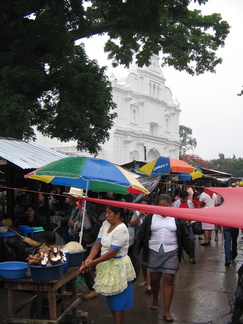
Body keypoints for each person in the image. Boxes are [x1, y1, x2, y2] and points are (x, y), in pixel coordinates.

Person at [134, 194, 193, 323]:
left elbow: (185, 236)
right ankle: (155, 297)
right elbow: (141, 234)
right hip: (154, 252)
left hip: (171, 252)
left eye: (166, 206)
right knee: (154, 280)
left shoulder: (176, 218)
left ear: (170, 205)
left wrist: (191, 253)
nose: (163, 209)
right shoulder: (150, 217)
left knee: (169, 280)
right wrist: (137, 250)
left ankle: (166, 311)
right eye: (161, 206)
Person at [80, 205, 136, 324]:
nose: (106, 216)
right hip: (106, 265)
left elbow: (112, 253)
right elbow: (97, 243)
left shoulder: (122, 229)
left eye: (109, 213)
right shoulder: (105, 224)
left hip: (118, 266)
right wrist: (89, 259)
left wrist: (93, 262)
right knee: (111, 299)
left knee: (119, 301)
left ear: (118, 214)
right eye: (106, 213)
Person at [64, 187, 98, 300]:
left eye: (70, 198)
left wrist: (75, 224)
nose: (68, 200)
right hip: (73, 239)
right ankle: (69, 288)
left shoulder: (82, 210)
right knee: (72, 264)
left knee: (82, 264)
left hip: (80, 241)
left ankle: (93, 288)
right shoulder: (75, 209)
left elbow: (87, 226)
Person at [129, 195, 152, 294]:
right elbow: (132, 224)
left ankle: (149, 284)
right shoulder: (137, 213)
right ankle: (146, 279)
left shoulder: (152, 214)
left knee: (149, 261)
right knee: (143, 261)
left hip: (150, 240)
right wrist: (140, 216)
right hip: (140, 241)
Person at [172, 190, 196, 264]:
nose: (184, 200)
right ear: (180, 197)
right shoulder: (176, 204)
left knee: (191, 240)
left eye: (185, 198)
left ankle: (192, 256)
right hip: (178, 225)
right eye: (183, 198)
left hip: (187, 224)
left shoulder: (190, 204)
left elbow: (193, 212)